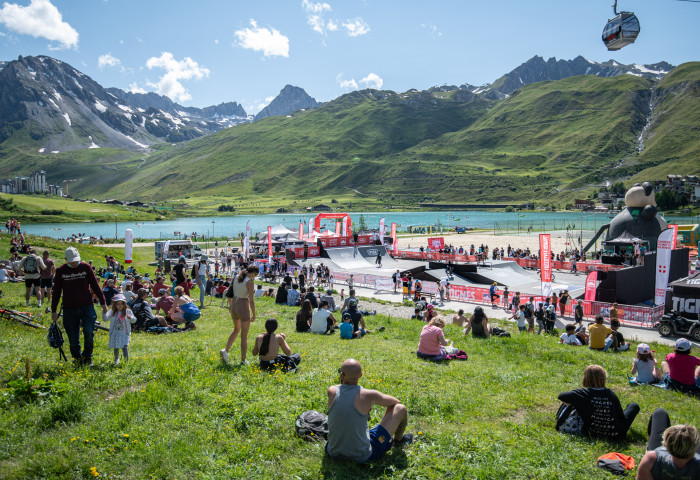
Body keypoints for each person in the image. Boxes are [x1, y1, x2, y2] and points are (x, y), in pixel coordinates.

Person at [326, 358, 411, 463]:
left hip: (333, 452)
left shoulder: (331, 391)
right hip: (363, 456)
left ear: (342, 375)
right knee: (401, 409)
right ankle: (398, 441)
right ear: (360, 375)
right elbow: (395, 402)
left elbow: (340, 387)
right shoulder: (369, 395)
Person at [51, 247, 108, 366]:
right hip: (69, 308)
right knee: (73, 336)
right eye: (72, 261)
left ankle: (87, 357)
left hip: (87, 306)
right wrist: (54, 310)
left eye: (76, 260)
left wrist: (103, 302)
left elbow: (95, 285)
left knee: (89, 331)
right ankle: (77, 358)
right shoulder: (61, 271)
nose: (74, 263)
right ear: (66, 259)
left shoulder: (86, 267)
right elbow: (56, 291)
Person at [557, 365, 639, 440]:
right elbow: (620, 415)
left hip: (592, 433)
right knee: (633, 406)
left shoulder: (583, 394)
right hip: (617, 435)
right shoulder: (610, 394)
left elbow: (561, 396)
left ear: (585, 378)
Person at [636, 408, 700, 480]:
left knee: (659, 412)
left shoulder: (651, 460)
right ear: (695, 448)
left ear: (665, 444)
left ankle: (649, 447)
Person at [221, 266, 259, 364]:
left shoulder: (236, 277)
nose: (254, 277)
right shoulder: (249, 282)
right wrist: (254, 314)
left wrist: (230, 305)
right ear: (252, 273)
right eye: (255, 275)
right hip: (243, 306)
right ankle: (243, 359)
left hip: (234, 304)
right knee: (244, 336)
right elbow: (251, 300)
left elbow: (231, 292)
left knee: (236, 330)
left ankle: (226, 351)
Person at [104, 293, 136, 364]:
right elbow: (105, 319)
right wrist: (104, 312)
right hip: (116, 332)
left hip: (125, 332)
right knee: (116, 346)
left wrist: (130, 318)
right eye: (118, 304)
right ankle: (116, 359)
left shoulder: (128, 311)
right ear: (115, 304)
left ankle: (126, 362)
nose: (120, 305)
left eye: (121, 303)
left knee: (125, 346)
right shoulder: (112, 312)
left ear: (124, 304)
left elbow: (134, 320)